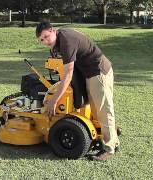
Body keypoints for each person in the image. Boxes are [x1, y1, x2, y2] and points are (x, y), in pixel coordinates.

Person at [36, 21, 120, 161]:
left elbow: (68, 74)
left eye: (46, 36)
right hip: (89, 73)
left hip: (98, 72)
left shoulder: (66, 41)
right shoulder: (60, 39)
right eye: (41, 40)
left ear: (52, 30)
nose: (45, 41)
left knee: (103, 111)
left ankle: (109, 149)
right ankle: (112, 141)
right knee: (96, 110)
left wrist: (54, 100)